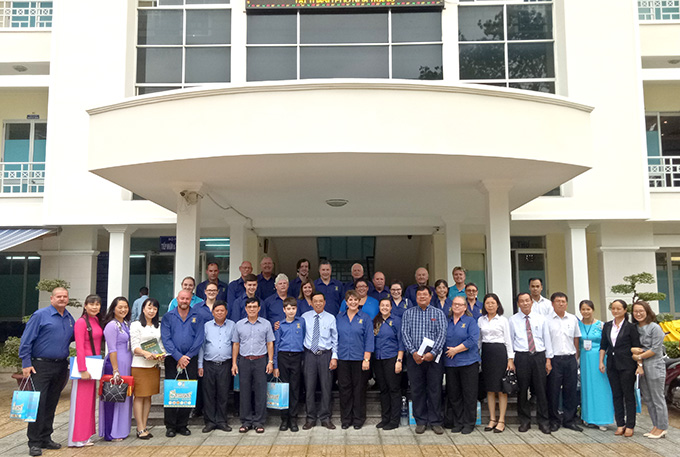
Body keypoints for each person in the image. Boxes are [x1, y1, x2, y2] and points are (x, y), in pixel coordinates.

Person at [19, 287, 75, 456]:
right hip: (40, 366)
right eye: (59, 296)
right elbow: (26, 340)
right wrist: (26, 363)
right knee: (38, 404)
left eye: (65, 296)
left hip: (60, 366)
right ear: (51, 298)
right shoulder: (40, 315)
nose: (62, 299)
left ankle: (45, 437)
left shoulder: (69, 317)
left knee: (51, 403)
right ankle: (34, 442)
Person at [160, 289, 207, 437]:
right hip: (172, 359)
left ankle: (183, 425)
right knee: (172, 391)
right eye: (182, 298)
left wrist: (187, 357)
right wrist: (179, 357)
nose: (184, 301)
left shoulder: (197, 316)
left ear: (190, 299)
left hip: (190, 360)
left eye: (187, 299)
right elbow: (166, 339)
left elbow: (199, 339)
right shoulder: (168, 317)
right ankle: (170, 426)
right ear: (177, 299)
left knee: (187, 391)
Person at [401, 286, 447, 435]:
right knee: (417, 389)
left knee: (435, 389)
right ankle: (420, 421)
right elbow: (405, 334)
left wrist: (433, 353)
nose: (422, 297)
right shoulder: (408, 314)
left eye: (425, 295)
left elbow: (442, 334)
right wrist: (413, 352)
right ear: (415, 297)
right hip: (414, 358)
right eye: (419, 295)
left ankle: (435, 421)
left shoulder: (438, 313)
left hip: (434, 358)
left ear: (430, 297)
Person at [509, 292, 553, 434]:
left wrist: (548, 359)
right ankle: (524, 421)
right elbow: (509, 341)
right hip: (521, 357)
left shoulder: (541, 319)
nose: (525, 303)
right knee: (522, 391)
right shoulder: (513, 320)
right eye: (522, 301)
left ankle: (543, 421)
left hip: (539, 356)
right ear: (518, 304)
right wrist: (511, 359)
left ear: (531, 302)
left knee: (541, 390)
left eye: (527, 300)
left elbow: (547, 339)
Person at [231, 297, 275, 433]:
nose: (252, 309)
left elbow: (270, 344)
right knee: (244, 391)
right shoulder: (239, 325)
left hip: (260, 360)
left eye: (254, 307)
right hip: (244, 360)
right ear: (245, 309)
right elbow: (236, 344)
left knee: (261, 391)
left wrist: (270, 361)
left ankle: (259, 421)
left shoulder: (266, 324)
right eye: (249, 307)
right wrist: (234, 363)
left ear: (259, 308)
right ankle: (246, 421)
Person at [599, 299, 640, 437]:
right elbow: (603, 345)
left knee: (628, 395)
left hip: (627, 365)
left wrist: (639, 365)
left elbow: (636, 347)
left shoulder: (631, 327)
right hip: (612, 365)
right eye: (613, 308)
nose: (615, 311)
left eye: (618, 309)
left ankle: (630, 425)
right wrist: (601, 362)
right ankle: (620, 423)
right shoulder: (607, 326)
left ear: (624, 310)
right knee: (616, 395)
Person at [68, 294, 104, 448]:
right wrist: (82, 369)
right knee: (80, 402)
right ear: (85, 305)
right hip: (85, 367)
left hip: (94, 364)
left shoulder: (95, 320)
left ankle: (85, 435)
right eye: (91, 304)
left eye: (97, 304)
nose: (94, 307)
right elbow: (80, 347)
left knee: (89, 402)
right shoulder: (81, 322)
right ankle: (76, 438)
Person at [336, 290, 374, 430]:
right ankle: (346, 419)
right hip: (343, 358)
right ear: (346, 302)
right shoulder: (339, 318)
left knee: (359, 390)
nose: (352, 302)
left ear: (359, 302)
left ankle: (358, 419)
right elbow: (335, 338)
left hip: (360, 359)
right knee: (344, 389)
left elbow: (369, 340)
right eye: (350, 300)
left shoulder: (365, 318)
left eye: (355, 300)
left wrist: (366, 359)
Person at [631, 300, 669, 439]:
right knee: (648, 398)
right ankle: (655, 426)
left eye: (641, 311)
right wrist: (638, 361)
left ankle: (662, 427)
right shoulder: (634, 328)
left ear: (647, 311)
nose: (638, 313)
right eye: (635, 311)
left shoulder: (654, 327)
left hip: (655, 365)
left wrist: (638, 356)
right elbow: (634, 346)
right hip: (642, 366)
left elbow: (655, 349)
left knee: (657, 397)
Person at [301, 292, 338, 430]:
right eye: (315, 301)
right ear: (311, 302)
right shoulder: (304, 317)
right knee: (309, 387)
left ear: (324, 302)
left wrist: (334, 357)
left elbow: (335, 339)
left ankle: (325, 418)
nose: (318, 303)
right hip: (309, 355)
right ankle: (310, 418)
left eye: (320, 301)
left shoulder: (330, 318)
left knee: (326, 387)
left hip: (325, 355)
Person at [478, 293, 514, 434]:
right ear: (484, 306)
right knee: (490, 388)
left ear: (497, 304)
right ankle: (492, 419)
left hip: (500, 353)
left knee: (501, 388)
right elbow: (479, 340)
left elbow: (508, 340)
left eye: (493, 303)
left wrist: (510, 359)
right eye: (487, 303)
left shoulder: (503, 320)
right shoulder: (480, 320)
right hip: (487, 354)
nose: (490, 305)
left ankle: (501, 420)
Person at [545, 292, 582, 432]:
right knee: (553, 391)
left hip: (570, 358)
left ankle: (569, 420)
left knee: (570, 391)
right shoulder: (547, 320)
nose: (561, 303)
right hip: (554, 360)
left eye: (563, 301)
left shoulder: (572, 319)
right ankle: (554, 420)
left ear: (567, 303)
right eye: (558, 301)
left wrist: (575, 357)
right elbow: (546, 341)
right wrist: (547, 360)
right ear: (552, 303)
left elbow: (576, 339)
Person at [444, 296, 480, 434]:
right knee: (454, 394)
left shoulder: (471, 321)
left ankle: (469, 423)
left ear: (465, 307)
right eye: (455, 304)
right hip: (451, 364)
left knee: (469, 394)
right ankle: (458, 422)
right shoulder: (447, 322)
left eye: (460, 304)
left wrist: (456, 350)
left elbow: (472, 340)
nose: (457, 306)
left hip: (468, 363)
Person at [130, 298, 165, 440]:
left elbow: (161, 344)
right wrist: (145, 353)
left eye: (154, 309)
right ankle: (139, 428)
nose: (152, 311)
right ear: (143, 309)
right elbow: (134, 346)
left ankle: (145, 425)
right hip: (139, 365)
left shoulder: (159, 326)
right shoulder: (136, 325)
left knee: (148, 396)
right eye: (149, 308)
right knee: (139, 396)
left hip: (153, 366)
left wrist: (161, 355)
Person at [99, 297, 133, 442]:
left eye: (125, 307)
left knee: (124, 397)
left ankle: (121, 429)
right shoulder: (111, 325)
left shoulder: (125, 324)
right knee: (112, 397)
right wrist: (115, 370)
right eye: (120, 307)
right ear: (113, 308)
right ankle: (110, 432)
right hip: (115, 365)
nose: (123, 310)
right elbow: (112, 349)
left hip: (127, 364)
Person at [198, 300, 235, 433]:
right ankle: (209, 422)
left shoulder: (232, 325)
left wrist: (234, 364)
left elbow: (235, 345)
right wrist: (200, 365)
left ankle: (221, 421)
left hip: (225, 364)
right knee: (209, 394)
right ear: (213, 312)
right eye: (217, 310)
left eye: (222, 310)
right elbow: (202, 346)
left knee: (223, 393)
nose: (219, 313)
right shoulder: (206, 326)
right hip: (209, 364)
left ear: (226, 312)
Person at [577, 299, 614, 430]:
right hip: (585, 358)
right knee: (587, 388)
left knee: (601, 388)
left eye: (588, 309)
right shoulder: (577, 325)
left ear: (593, 310)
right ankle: (588, 418)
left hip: (599, 358)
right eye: (583, 309)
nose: (586, 312)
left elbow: (606, 344)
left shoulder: (601, 325)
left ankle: (602, 419)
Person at [273, 297, 305, 432]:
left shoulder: (301, 322)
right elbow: (276, 345)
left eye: (293, 308)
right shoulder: (280, 325)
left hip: (297, 357)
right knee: (284, 389)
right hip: (283, 357)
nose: (291, 311)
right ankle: (284, 419)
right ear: (284, 310)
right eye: (288, 309)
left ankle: (293, 419)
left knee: (295, 388)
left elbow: (305, 337)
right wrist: (275, 365)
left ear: (296, 309)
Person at [372, 297, 404, 430]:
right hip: (378, 359)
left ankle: (394, 420)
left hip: (392, 358)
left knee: (394, 389)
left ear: (391, 308)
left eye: (387, 305)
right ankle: (385, 418)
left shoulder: (396, 321)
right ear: (379, 307)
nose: (384, 308)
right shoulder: (375, 321)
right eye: (382, 305)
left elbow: (401, 341)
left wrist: (399, 360)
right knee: (383, 389)